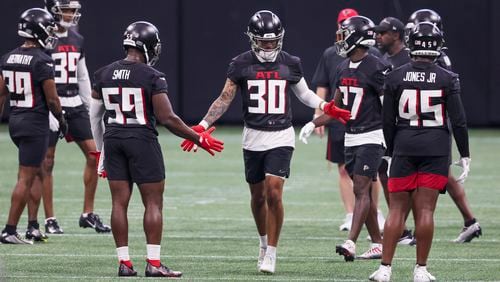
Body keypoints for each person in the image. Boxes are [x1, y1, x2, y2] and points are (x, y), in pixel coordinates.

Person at [180, 10, 350, 274]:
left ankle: (272, 251)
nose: (269, 46)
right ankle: (262, 243)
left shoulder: (291, 63)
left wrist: (326, 106)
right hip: (253, 136)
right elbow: (225, 98)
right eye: (264, 41)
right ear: (253, 39)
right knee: (258, 197)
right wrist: (201, 126)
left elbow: (303, 94)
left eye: (273, 41)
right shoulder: (240, 64)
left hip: (281, 134)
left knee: (274, 191)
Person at [89, 21, 223, 277]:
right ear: (148, 46)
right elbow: (168, 118)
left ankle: (124, 264)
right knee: (153, 203)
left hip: (114, 139)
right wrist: (198, 137)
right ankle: (153, 263)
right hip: (142, 140)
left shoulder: (103, 73)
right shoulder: (152, 76)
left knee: (119, 203)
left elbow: (94, 117)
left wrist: (100, 152)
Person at [369, 22, 471, 282]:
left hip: (404, 146)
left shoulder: (394, 75)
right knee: (425, 211)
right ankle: (421, 270)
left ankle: (385, 269)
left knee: (396, 211)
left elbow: (387, 120)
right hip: (435, 149)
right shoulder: (448, 78)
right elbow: (458, 121)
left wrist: (391, 152)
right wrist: (465, 154)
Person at [300, 15, 390, 261]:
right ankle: (377, 244)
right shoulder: (342, 66)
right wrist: (313, 121)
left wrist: (391, 140)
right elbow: (336, 108)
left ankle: (351, 242)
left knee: (361, 189)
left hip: (371, 136)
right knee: (363, 191)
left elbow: (389, 109)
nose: (339, 39)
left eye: (344, 34)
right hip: (350, 137)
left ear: (357, 38)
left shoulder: (377, 67)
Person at [28, 0, 111, 234]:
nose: (71, 14)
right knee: (46, 161)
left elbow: (82, 75)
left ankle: (88, 213)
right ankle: (50, 218)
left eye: (74, 10)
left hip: (73, 102)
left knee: (95, 155)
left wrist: (90, 105)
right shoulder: (43, 38)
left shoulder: (77, 39)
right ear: (53, 10)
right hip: (51, 103)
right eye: (66, 9)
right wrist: (46, 109)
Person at [405, 9, 481, 243]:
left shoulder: (436, 61)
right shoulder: (439, 56)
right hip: (432, 121)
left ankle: (414, 228)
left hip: (430, 121)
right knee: (441, 174)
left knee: (423, 177)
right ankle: (470, 221)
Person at [0, 8, 67, 244]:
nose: (50, 33)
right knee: (26, 176)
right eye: (47, 29)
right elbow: (52, 99)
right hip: (34, 122)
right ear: (37, 30)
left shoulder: (7, 57)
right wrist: (61, 119)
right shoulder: (42, 60)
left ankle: (33, 226)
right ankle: (9, 229)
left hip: (16, 121)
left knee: (37, 171)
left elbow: (1, 94)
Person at [373, 16, 416, 245]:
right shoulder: (382, 58)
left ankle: (402, 226)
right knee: (383, 172)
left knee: (408, 178)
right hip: (387, 124)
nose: (378, 36)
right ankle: (400, 226)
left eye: (383, 32)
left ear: (397, 34)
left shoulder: (408, 59)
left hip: (407, 125)